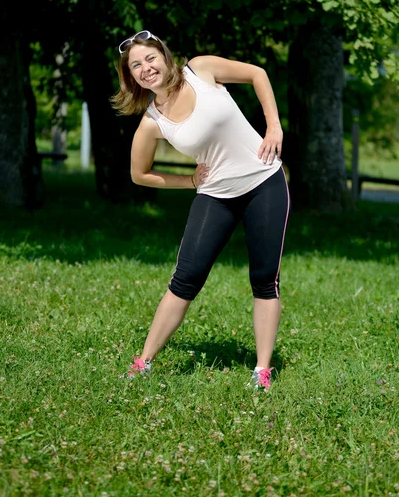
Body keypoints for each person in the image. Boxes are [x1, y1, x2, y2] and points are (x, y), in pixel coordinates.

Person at [112, 30, 290, 391]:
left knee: (264, 279)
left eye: (150, 58)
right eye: (136, 66)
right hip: (215, 195)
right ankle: (143, 362)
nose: (146, 68)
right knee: (185, 279)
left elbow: (258, 73)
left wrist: (273, 126)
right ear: (131, 77)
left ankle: (262, 370)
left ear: (163, 56)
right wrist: (190, 181)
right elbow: (139, 174)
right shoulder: (152, 122)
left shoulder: (201, 70)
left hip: (264, 182)